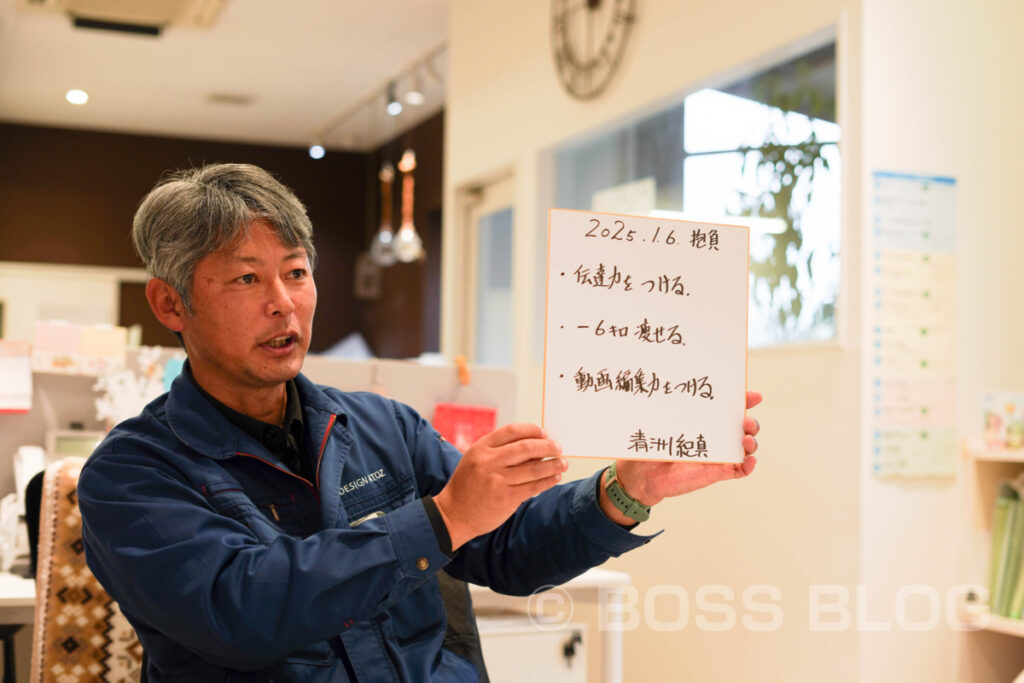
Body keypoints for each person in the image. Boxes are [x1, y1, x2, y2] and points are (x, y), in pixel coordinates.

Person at [78, 163, 762, 682]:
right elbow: (245, 607)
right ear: (171, 304)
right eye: (247, 280)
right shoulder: (130, 473)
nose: (285, 304)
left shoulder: (380, 425)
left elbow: (506, 548)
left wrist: (625, 489)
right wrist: (439, 519)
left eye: (296, 271)